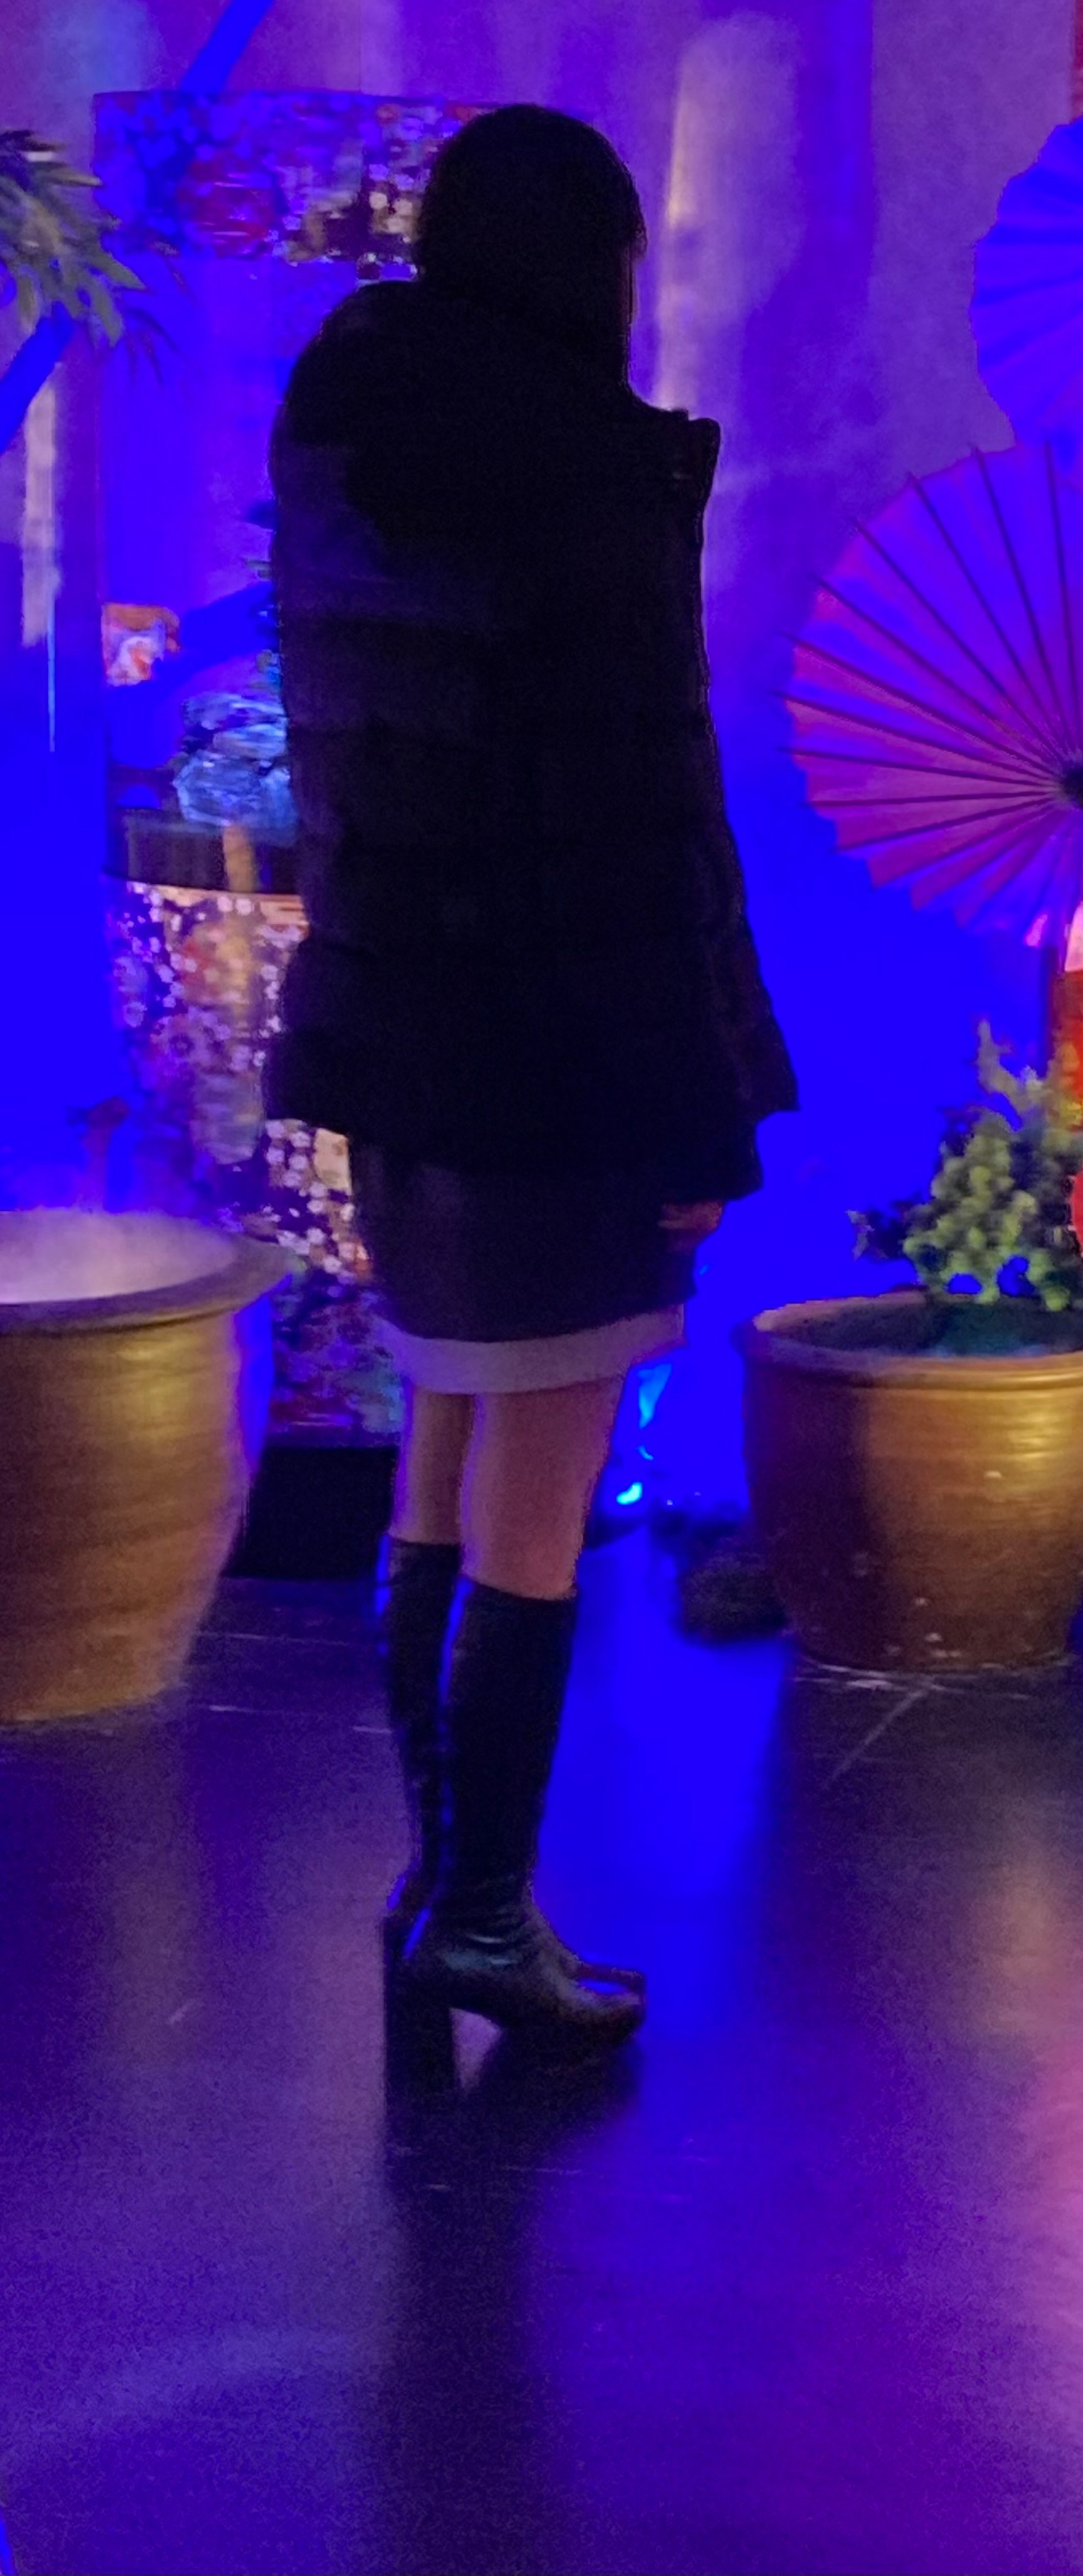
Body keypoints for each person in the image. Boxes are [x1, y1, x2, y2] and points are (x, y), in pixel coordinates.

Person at [268, 106, 797, 2058]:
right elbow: (645, 821)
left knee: (442, 1451)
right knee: (541, 1496)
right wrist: (704, 1104)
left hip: (396, 1035)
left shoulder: (344, 430)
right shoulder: (583, 477)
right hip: (563, 1057)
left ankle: (440, 1883)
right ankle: (486, 1909)